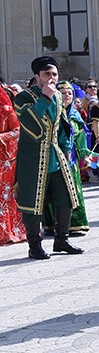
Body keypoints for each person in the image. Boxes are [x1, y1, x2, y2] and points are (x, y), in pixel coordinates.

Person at [14, 56, 83, 260]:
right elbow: (32, 126)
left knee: (66, 198)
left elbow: (62, 126)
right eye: (47, 74)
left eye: (54, 74)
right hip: (32, 159)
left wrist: (66, 149)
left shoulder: (59, 97)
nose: (52, 77)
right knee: (33, 203)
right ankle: (34, 245)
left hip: (56, 157)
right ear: (37, 77)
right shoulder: (23, 98)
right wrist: (44, 98)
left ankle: (61, 240)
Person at [43, 81, 99, 235]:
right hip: (54, 159)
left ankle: (75, 224)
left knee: (73, 191)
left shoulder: (75, 115)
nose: (67, 96)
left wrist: (85, 155)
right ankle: (53, 225)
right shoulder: (49, 113)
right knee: (54, 192)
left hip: (72, 161)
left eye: (70, 93)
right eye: (63, 93)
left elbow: (81, 137)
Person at [0, 76, 26, 245]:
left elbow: (18, 130)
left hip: (4, 162)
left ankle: (8, 231)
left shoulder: (7, 109)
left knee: (5, 196)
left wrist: (1, 137)